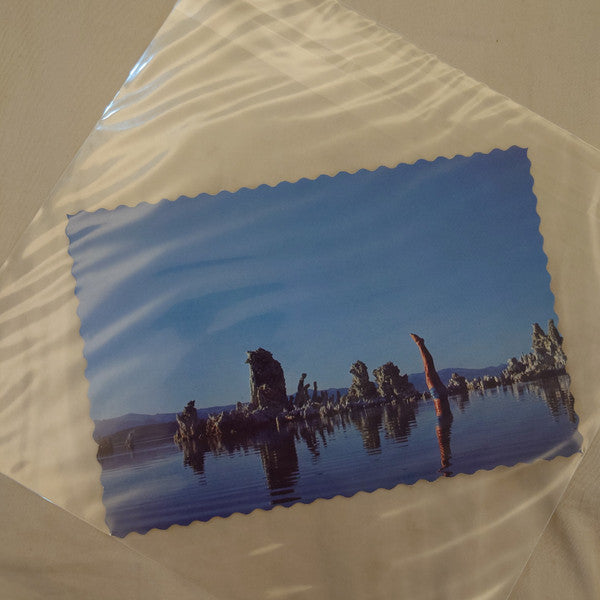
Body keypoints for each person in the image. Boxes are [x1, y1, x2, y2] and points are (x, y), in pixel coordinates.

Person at [410, 333, 453, 420]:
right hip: (439, 397)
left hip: (442, 398)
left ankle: (420, 344)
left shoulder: (447, 421)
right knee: (428, 369)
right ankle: (420, 344)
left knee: (429, 368)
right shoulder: (443, 423)